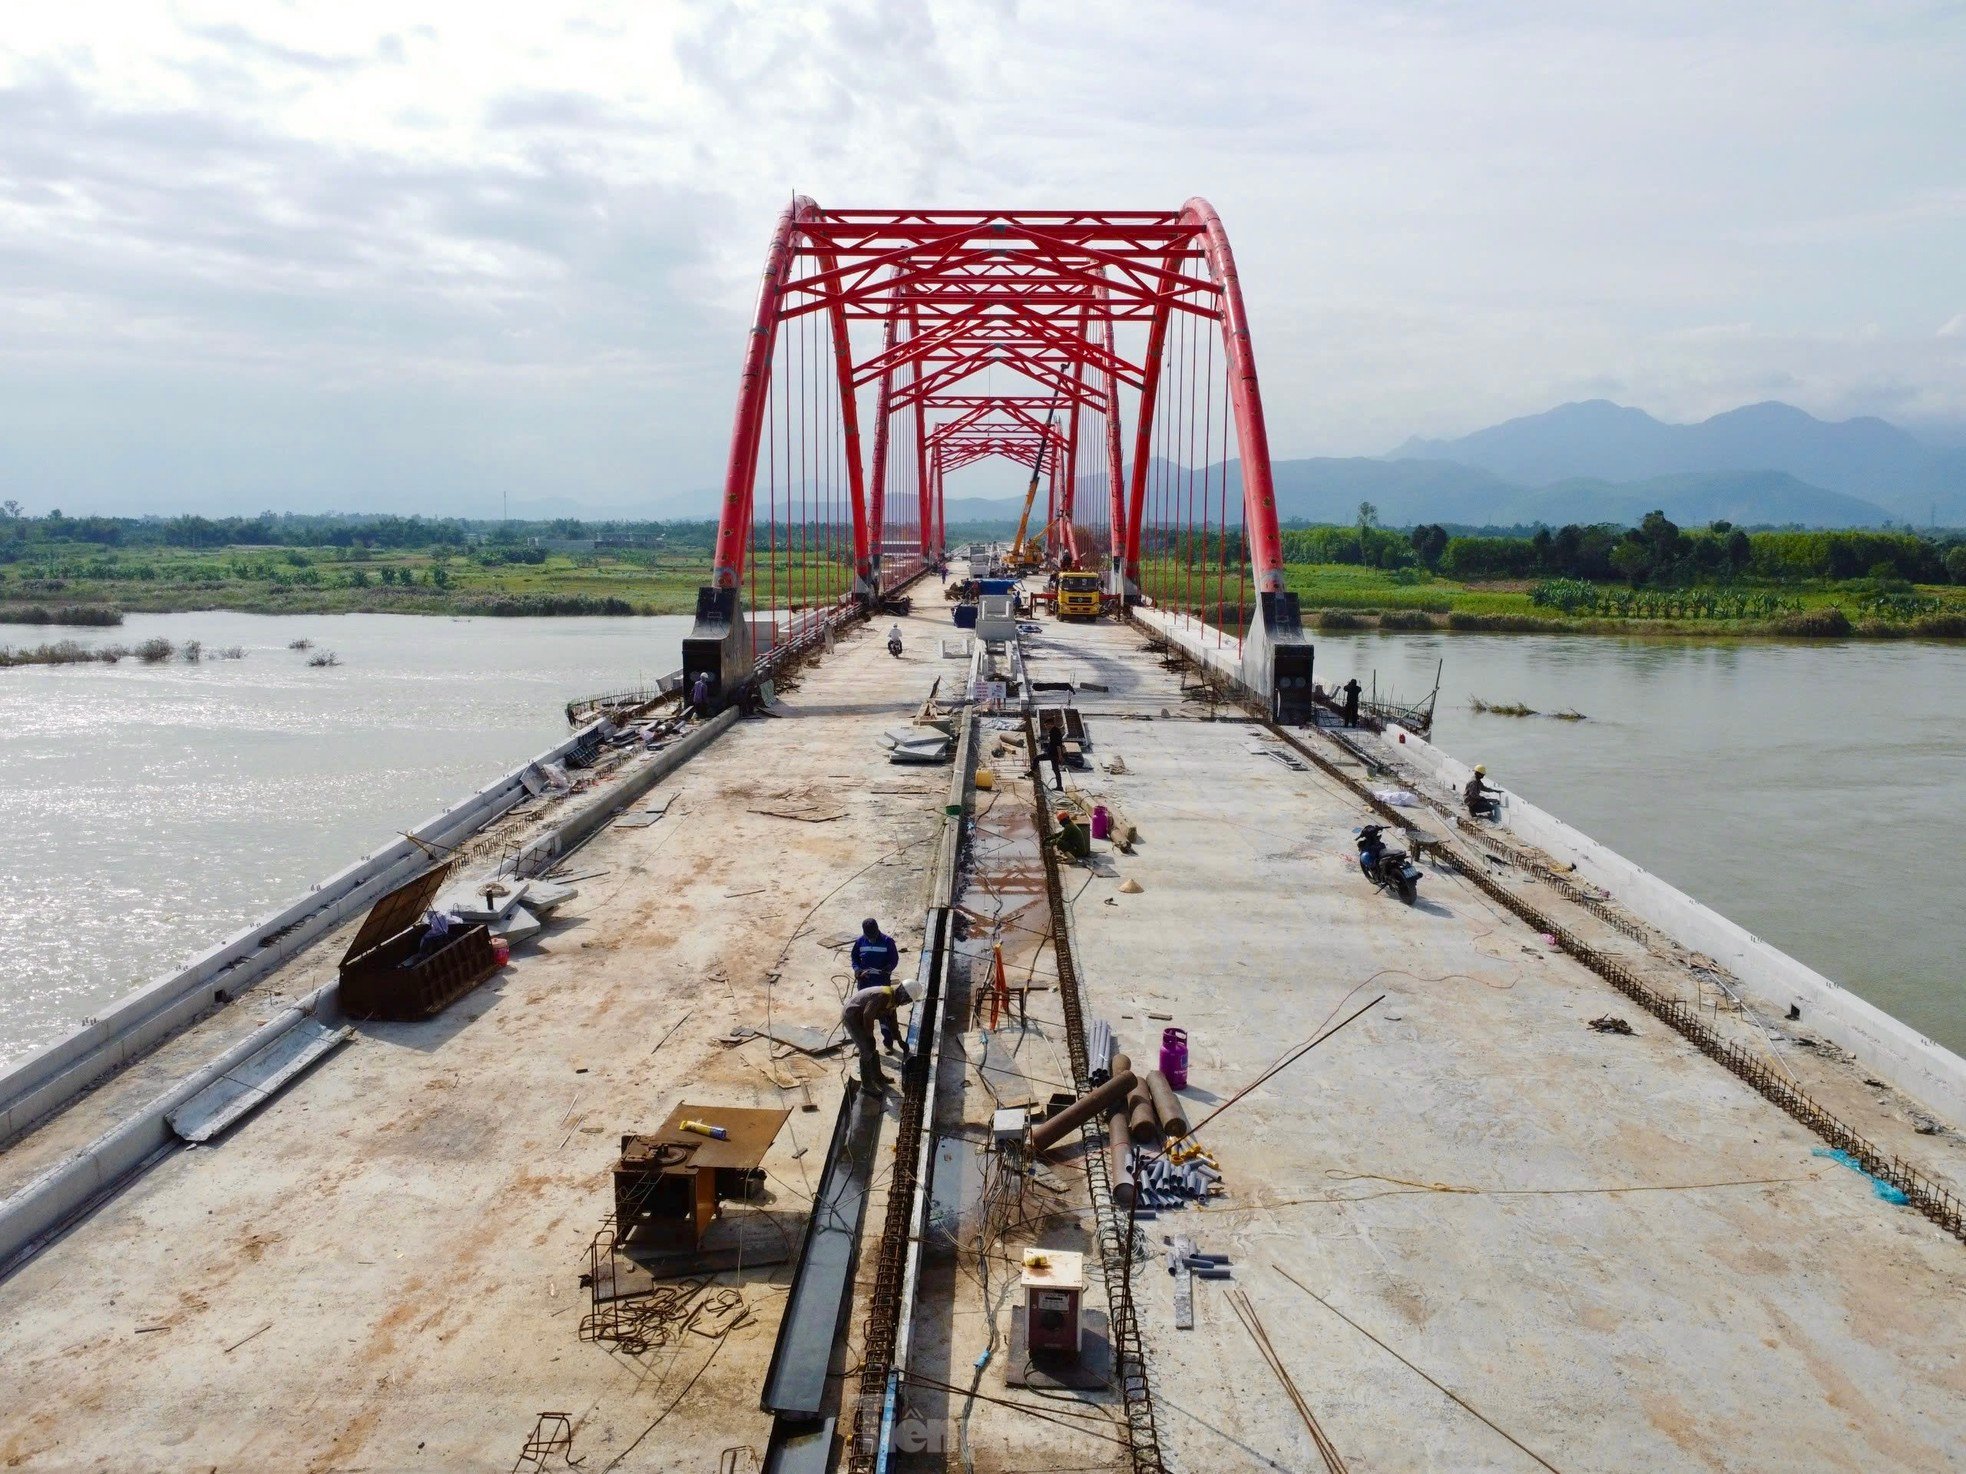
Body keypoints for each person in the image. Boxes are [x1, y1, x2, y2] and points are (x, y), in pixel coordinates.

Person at [842, 975, 908, 1091]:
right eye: (907, 1001)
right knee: (866, 1048)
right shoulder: (883, 996)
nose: (905, 1004)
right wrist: (869, 1035)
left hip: (860, 1016)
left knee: (871, 1046)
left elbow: (893, 1022)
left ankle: (878, 1077)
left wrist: (899, 1040)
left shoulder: (892, 999)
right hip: (852, 1016)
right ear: (904, 995)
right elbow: (868, 1015)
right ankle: (866, 1084)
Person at [1043, 724, 1067, 791]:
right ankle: (1059, 786)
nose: (1046, 727)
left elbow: (1058, 747)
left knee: (1037, 758)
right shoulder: (1053, 734)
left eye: (1046, 725)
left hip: (1053, 755)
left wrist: (1060, 756)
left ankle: (1033, 772)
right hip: (1052, 754)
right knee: (1056, 770)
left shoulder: (1055, 736)